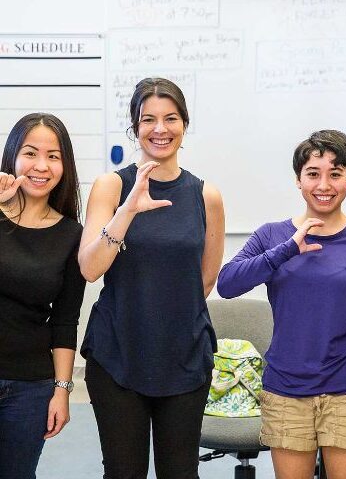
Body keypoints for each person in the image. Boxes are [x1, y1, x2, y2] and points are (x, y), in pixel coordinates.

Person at [217, 130, 346, 479]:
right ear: (299, 180)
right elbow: (227, 284)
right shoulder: (272, 236)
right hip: (286, 390)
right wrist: (287, 249)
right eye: (313, 174)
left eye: (336, 174)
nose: (324, 184)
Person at [78, 78, 225, 479]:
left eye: (171, 118)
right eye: (149, 119)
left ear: (184, 124)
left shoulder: (205, 194)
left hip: (183, 356)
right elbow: (90, 268)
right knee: (123, 472)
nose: (160, 129)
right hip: (118, 354)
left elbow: (205, 280)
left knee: (181, 472)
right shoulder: (112, 185)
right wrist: (127, 211)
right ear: (135, 127)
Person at [0, 113, 85, 479]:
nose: (41, 166)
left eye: (53, 156)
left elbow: (65, 321)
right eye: (31, 153)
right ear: (12, 157)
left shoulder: (72, 235)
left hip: (29, 385)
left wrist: (62, 391)